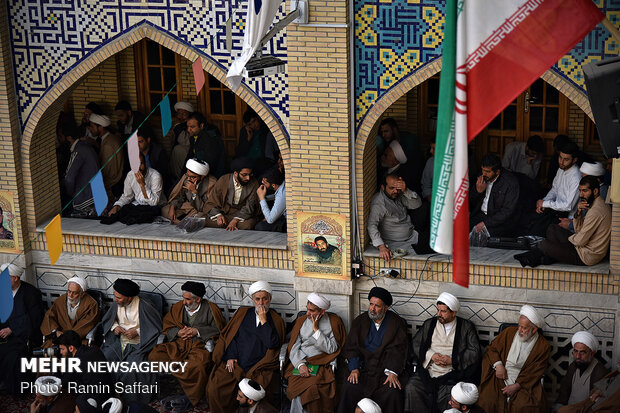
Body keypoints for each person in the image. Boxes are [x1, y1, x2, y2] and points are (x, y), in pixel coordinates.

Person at [207, 281, 285, 412]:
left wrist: (263, 320)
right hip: (236, 361)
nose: (261, 303)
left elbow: (273, 344)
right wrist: (230, 355)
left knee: (255, 395)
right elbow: (230, 336)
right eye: (257, 299)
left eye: (264, 299)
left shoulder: (276, 320)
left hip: (259, 366)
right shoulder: (242, 313)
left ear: (270, 299)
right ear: (253, 300)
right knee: (215, 388)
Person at [148, 281, 226, 406]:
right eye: (183, 298)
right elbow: (168, 325)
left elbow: (220, 330)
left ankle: (191, 397)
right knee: (155, 356)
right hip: (179, 344)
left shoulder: (211, 309)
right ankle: (177, 387)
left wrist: (198, 331)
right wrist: (178, 332)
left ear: (198, 299)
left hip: (200, 346)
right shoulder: (178, 307)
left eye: (188, 299)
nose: (184, 302)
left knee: (198, 366)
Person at [405, 293, 482, 413]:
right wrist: (431, 355)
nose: (438, 314)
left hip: (452, 372)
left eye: (443, 311)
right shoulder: (429, 324)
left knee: (450, 394)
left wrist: (452, 360)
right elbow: (416, 344)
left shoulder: (466, 327)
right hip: (429, 369)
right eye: (438, 310)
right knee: (412, 387)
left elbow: (474, 352)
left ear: (453, 312)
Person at [337, 287, 408, 413]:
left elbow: (399, 349)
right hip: (363, 370)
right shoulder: (360, 321)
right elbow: (351, 347)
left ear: (386, 308)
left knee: (392, 393)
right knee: (349, 387)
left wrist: (393, 372)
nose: (372, 309)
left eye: (377, 306)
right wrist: (354, 368)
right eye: (371, 304)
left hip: (384, 373)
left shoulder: (396, 323)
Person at [517, 176, 611, 267]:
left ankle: (540, 256)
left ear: (595, 191)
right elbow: (579, 230)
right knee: (552, 228)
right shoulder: (596, 203)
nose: (581, 195)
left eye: (585, 191)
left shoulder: (596, 211)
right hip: (581, 247)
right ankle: (552, 255)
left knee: (544, 244)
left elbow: (580, 241)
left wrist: (569, 240)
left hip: (586, 256)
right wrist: (578, 213)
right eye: (580, 191)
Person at [477, 305, 550, 413]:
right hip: (500, 376)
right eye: (519, 326)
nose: (519, 330)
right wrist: (498, 365)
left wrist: (517, 386)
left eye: (524, 328)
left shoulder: (543, 346)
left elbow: (536, 370)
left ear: (534, 329)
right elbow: (492, 349)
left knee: (524, 406)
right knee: (487, 400)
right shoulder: (509, 332)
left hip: (524, 382)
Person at [100, 279, 162, 403]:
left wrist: (137, 331)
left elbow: (155, 327)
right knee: (105, 359)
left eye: (119, 297)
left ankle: (131, 400)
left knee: (131, 368)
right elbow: (110, 320)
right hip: (119, 341)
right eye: (115, 296)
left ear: (129, 298)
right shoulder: (116, 304)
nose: (115, 299)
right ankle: (108, 395)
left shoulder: (145, 306)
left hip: (141, 343)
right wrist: (115, 327)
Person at [285, 293, 346, 413]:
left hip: (322, 363)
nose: (308, 313)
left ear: (322, 311)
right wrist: (300, 365)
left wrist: (316, 330)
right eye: (307, 309)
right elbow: (293, 347)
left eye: (312, 311)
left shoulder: (333, 322)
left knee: (313, 389)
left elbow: (332, 348)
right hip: (300, 361)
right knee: (297, 389)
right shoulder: (301, 321)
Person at [0, 263, 44, 395]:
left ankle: (15, 389)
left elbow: (35, 318)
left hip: (23, 336)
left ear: (15, 278)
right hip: (3, 334)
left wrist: (12, 329)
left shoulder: (31, 293)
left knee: (12, 357)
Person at [368, 173, 427, 261]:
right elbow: (371, 225)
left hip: (413, 235)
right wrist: (382, 247)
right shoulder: (379, 203)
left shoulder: (397, 195)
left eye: (397, 188)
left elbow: (417, 205)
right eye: (391, 188)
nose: (395, 191)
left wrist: (406, 190)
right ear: (383, 187)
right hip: (398, 243)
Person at [529, 141, 581, 236]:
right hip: (555, 210)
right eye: (560, 157)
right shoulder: (561, 168)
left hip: (567, 217)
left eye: (566, 159)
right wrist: (543, 203)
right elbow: (554, 189)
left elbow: (568, 206)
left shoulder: (576, 177)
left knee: (539, 232)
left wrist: (545, 203)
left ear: (574, 160)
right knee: (529, 221)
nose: (561, 162)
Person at [100, 153, 165, 225]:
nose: (138, 168)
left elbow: (154, 203)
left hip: (155, 207)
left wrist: (142, 185)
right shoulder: (130, 175)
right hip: (138, 206)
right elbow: (127, 196)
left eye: (141, 164)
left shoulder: (155, 176)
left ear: (146, 164)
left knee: (149, 213)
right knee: (123, 211)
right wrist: (117, 206)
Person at [554, 331, 608, 411]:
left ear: (592, 354)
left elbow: (596, 402)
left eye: (582, 352)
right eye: (575, 351)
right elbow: (564, 390)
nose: (578, 356)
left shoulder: (600, 371)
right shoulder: (573, 366)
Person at [40, 276, 100, 348]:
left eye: (74, 293)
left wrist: (66, 338)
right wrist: (55, 331)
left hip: (78, 340)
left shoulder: (91, 305)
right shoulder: (61, 300)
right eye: (69, 291)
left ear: (82, 294)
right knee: (46, 353)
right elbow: (49, 316)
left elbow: (86, 325)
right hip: (59, 337)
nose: (70, 295)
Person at [469, 153, 520, 237]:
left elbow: (507, 211)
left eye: (488, 171)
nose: (484, 174)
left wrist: (485, 223)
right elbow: (471, 201)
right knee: (460, 229)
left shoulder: (510, 182)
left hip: (498, 221)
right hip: (480, 216)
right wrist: (478, 191)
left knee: (480, 237)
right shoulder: (481, 177)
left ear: (497, 171)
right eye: (482, 170)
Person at [204, 157, 261, 230]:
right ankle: (227, 224)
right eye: (244, 175)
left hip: (243, 215)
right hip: (225, 214)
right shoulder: (223, 180)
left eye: (250, 174)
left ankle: (229, 225)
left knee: (248, 225)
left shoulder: (253, 183)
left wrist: (235, 220)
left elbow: (249, 206)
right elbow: (212, 202)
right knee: (202, 219)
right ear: (235, 173)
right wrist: (218, 215)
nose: (248, 178)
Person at [59, 330, 114, 404]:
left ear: (71, 348)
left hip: (95, 402)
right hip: (110, 395)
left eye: (62, 349)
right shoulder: (95, 349)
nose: (61, 352)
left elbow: (61, 383)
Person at [62, 122, 99, 218]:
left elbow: (69, 178)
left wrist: (71, 193)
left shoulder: (78, 151)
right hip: (95, 193)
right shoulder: (87, 147)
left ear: (69, 138)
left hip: (85, 197)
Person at [163, 158, 214, 224]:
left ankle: (180, 223)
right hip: (187, 206)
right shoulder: (187, 177)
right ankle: (182, 223)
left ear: (202, 177)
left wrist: (194, 192)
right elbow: (179, 196)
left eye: (193, 177)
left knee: (199, 217)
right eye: (188, 176)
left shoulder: (211, 184)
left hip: (199, 210)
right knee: (165, 210)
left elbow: (205, 208)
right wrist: (172, 208)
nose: (189, 179)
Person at [89, 113, 125, 195]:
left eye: (92, 126)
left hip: (112, 186)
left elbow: (109, 172)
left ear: (100, 127)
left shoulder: (108, 145)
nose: (90, 129)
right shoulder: (112, 137)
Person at [236, 108, 278, 177]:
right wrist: (248, 140)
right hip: (247, 161)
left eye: (254, 121)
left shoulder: (266, 131)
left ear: (258, 118)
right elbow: (240, 152)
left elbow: (268, 154)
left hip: (261, 162)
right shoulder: (245, 131)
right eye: (250, 124)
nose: (254, 125)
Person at [186, 111, 226, 177]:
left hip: (209, 175)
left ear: (201, 126)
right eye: (188, 126)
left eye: (192, 127)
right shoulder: (194, 136)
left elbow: (210, 165)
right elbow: (190, 156)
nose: (188, 129)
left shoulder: (210, 139)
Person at [136, 126, 170, 191]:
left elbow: (164, 175)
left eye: (140, 142)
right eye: (136, 142)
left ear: (148, 140)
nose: (137, 145)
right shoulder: (135, 153)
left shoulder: (158, 152)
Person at [170, 101, 194, 181]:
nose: (180, 117)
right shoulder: (177, 125)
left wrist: (179, 127)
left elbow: (185, 142)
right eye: (179, 114)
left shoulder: (191, 125)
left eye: (184, 114)